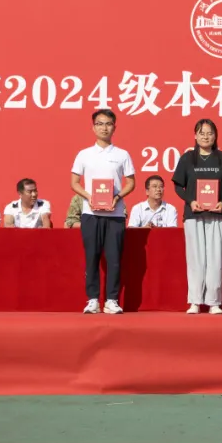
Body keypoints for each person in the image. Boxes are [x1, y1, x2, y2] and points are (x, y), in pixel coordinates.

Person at [172, 119, 222, 314]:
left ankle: (213, 302)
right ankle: (195, 301)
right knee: (195, 258)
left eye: (210, 133)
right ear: (195, 135)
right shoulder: (187, 158)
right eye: (202, 133)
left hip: (216, 215)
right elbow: (178, 186)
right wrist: (190, 201)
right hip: (193, 214)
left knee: (215, 258)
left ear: (215, 136)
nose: (205, 136)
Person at [71, 109, 136, 315]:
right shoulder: (84, 154)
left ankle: (111, 300)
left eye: (108, 124)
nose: (104, 128)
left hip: (115, 215)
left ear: (114, 127)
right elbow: (74, 182)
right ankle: (92, 300)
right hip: (91, 214)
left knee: (114, 259)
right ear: (93, 127)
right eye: (100, 124)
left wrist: (117, 197)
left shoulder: (122, 154)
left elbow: (131, 182)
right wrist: (88, 196)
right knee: (92, 257)